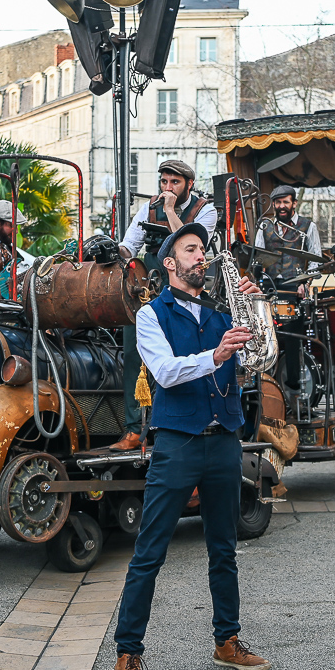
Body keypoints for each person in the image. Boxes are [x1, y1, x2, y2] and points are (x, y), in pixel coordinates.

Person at [114, 223, 269, 670]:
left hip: (223, 438)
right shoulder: (150, 314)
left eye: (202, 249)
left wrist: (258, 307)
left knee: (224, 549)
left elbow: (260, 358)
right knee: (150, 552)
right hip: (178, 442)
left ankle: (227, 640)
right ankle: (128, 653)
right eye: (190, 250)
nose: (200, 256)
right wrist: (216, 353)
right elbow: (163, 371)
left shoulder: (223, 308)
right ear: (170, 263)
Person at [114, 159, 218, 452]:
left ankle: (176, 430)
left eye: (174, 182)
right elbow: (129, 246)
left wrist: (171, 210)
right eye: (164, 182)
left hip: (184, 289)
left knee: (182, 354)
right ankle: (135, 430)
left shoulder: (205, 211)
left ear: (189, 185)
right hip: (147, 286)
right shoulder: (148, 208)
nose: (167, 188)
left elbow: (188, 246)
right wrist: (112, 249)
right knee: (134, 353)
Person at [252, 185, 321, 287]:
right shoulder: (265, 225)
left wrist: (306, 283)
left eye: (286, 202)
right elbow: (258, 257)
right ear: (274, 204)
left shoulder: (308, 226)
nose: (281, 206)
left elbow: (315, 259)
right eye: (278, 202)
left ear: (294, 203)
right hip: (269, 282)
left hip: (296, 283)